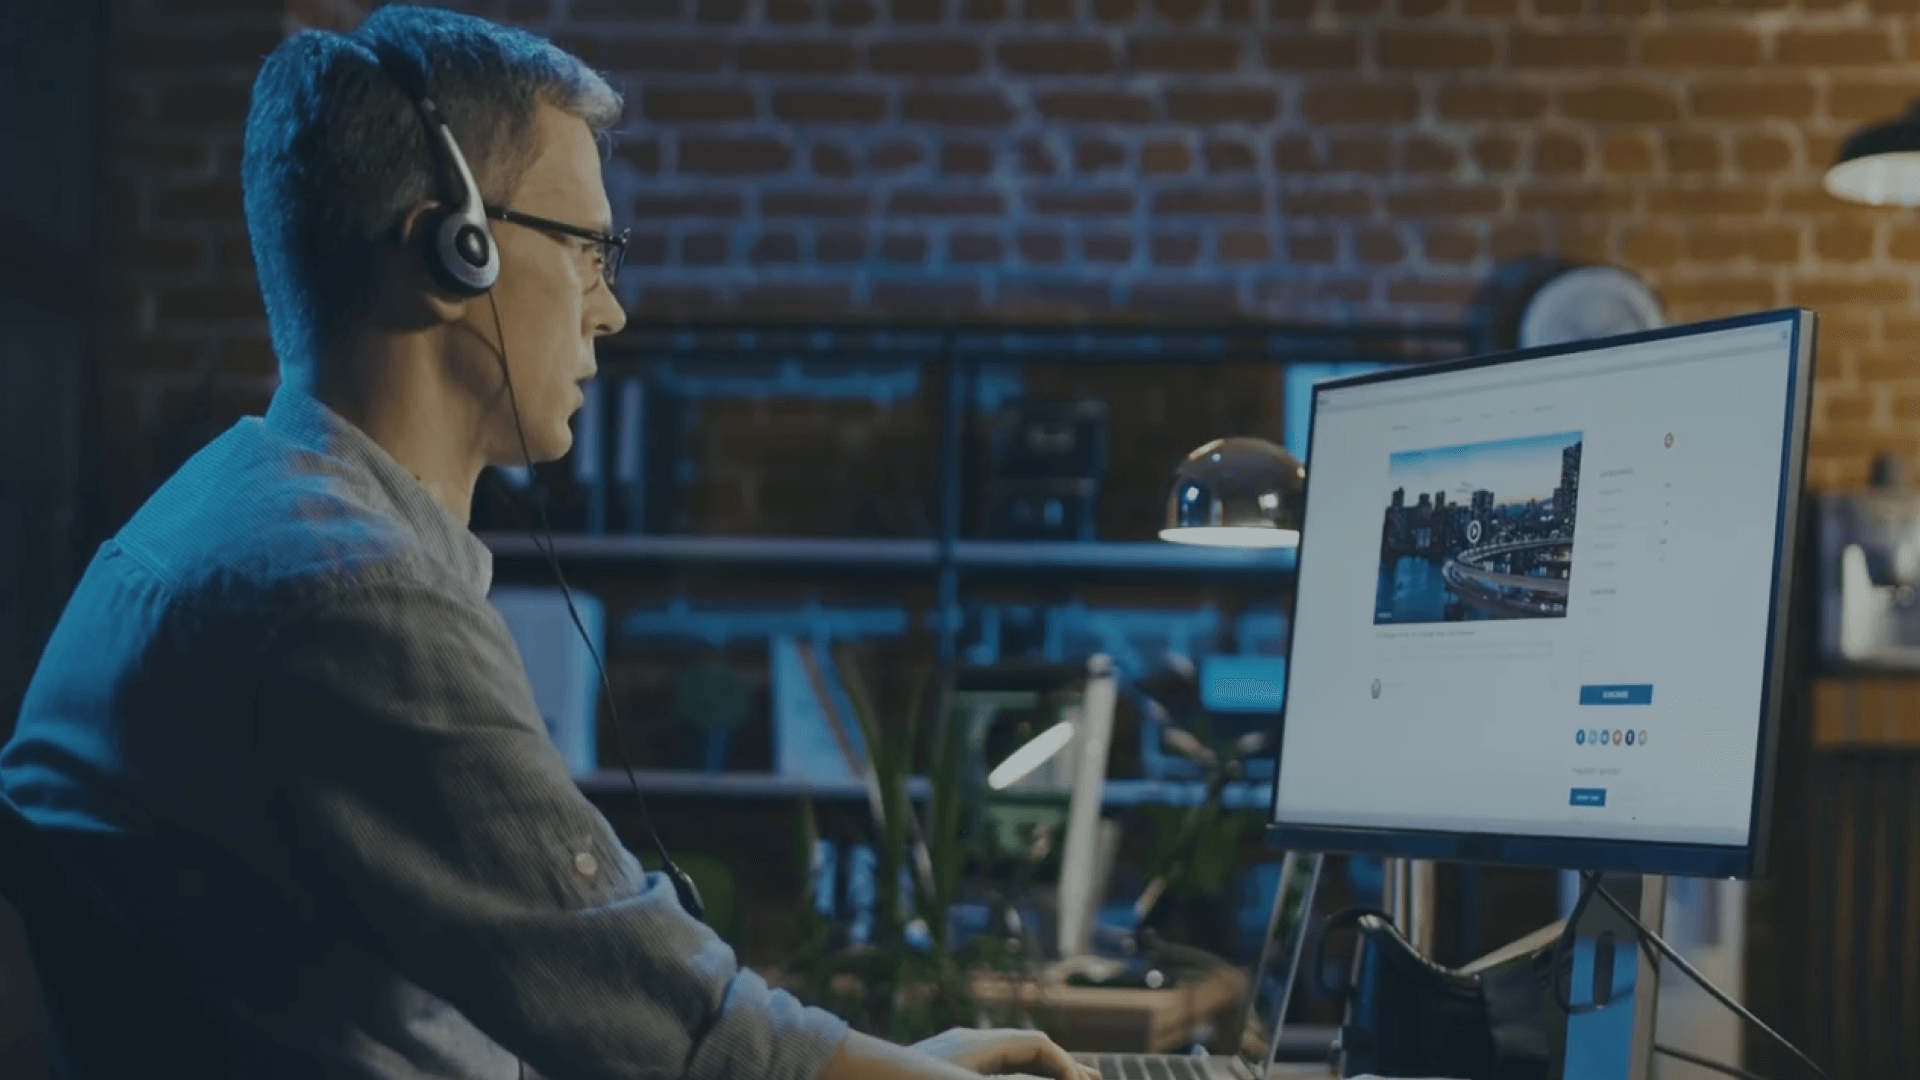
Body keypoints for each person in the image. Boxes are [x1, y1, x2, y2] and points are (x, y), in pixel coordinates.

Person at [0, 7, 1094, 1080]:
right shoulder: (344, 593)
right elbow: (659, 1031)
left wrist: (879, 1064)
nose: (609, 309)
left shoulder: (235, 516)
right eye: (588, 250)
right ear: (452, 247)